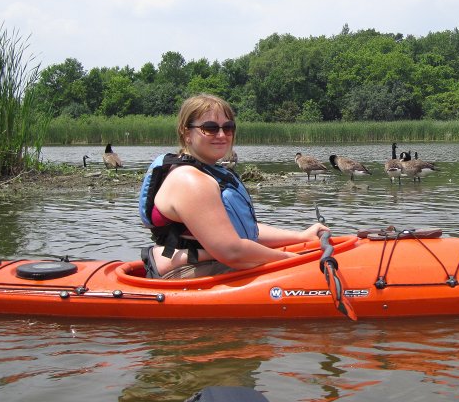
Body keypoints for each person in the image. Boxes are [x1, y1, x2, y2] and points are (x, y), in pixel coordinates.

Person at [139, 93, 329, 279]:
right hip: (188, 271)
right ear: (186, 133)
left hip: (209, 261)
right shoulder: (191, 181)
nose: (222, 135)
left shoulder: (207, 171)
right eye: (210, 128)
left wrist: (301, 237)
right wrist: (293, 260)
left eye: (228, 128)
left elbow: (242, 231)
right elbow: (232, 251)